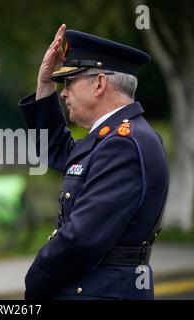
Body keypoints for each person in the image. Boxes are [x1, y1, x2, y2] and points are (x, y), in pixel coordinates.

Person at [19, 25, 168, 299]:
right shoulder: (114, 137)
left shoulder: (122, 143)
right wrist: (44, 86)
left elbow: (81, 240)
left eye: (69, 82)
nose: (64, 93)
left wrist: (36, 278)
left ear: (99, 83)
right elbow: (60, 152)